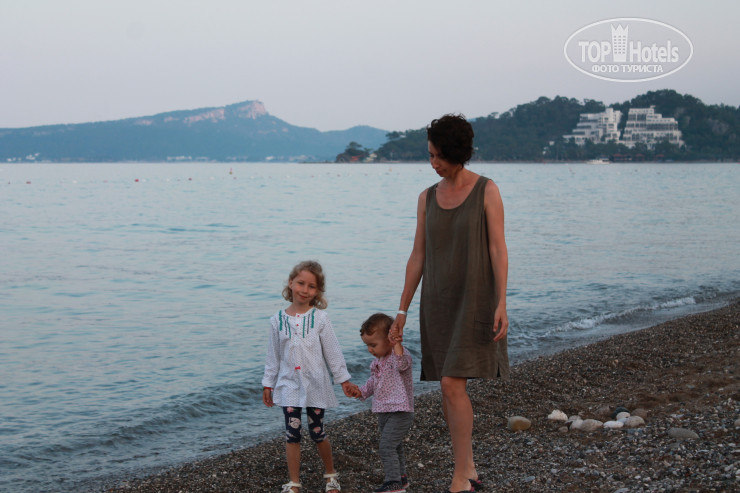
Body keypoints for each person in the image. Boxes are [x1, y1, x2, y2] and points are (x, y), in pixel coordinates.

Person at [389, 114, 509, 493]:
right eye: (430, 155)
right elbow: (418, 256)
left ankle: (460, 477)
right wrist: (402, 310)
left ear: (457, 152)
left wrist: (502, 302)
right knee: (448, 386)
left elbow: (498, 249)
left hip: (476, 301)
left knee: (451, 383)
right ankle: (468, 469)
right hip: (437, 303)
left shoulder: (487, 190)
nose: (433, 163)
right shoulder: (426, 198)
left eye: (439, 155)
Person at [262, 260, 356, 493]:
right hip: (289, 385)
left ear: (318, 291)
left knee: (317, 432)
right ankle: (294, 482)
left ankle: (331, 475)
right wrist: (268, 384)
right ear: (291, 283)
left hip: (316, 384)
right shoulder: (277, 320)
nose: (304, 290)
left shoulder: (320, 319)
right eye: (301, 283)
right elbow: (273, 356)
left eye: (311, 286)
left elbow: (333, 352)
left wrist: (343, 380)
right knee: (292, 434)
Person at [353, 313, 414, 493]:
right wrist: (361, 392)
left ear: (389, 339)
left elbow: (403, 364)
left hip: (400, 411)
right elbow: (373, 382)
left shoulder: (399, 356)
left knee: (387, 446)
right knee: (395, 445)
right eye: (367, 345)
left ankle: (393, 483)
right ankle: (401, 478)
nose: (370, 349)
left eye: (373, 345)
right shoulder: (377, 362)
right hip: (383, 410)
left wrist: (397, 344)